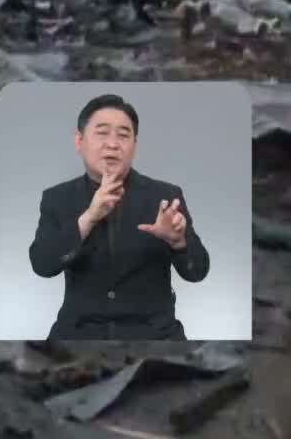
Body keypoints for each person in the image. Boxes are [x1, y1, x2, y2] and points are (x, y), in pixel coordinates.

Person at [28, 93, 210, 340]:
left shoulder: (165, 196)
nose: (112, 144)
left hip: (153, 335)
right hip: (79, 333)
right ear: (79, 141)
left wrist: (178, 242)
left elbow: (197, 272)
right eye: (102, 133)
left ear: (134, 145)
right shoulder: (57, 198)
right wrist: (89, 218)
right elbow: (42, 264)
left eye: (123, 135)